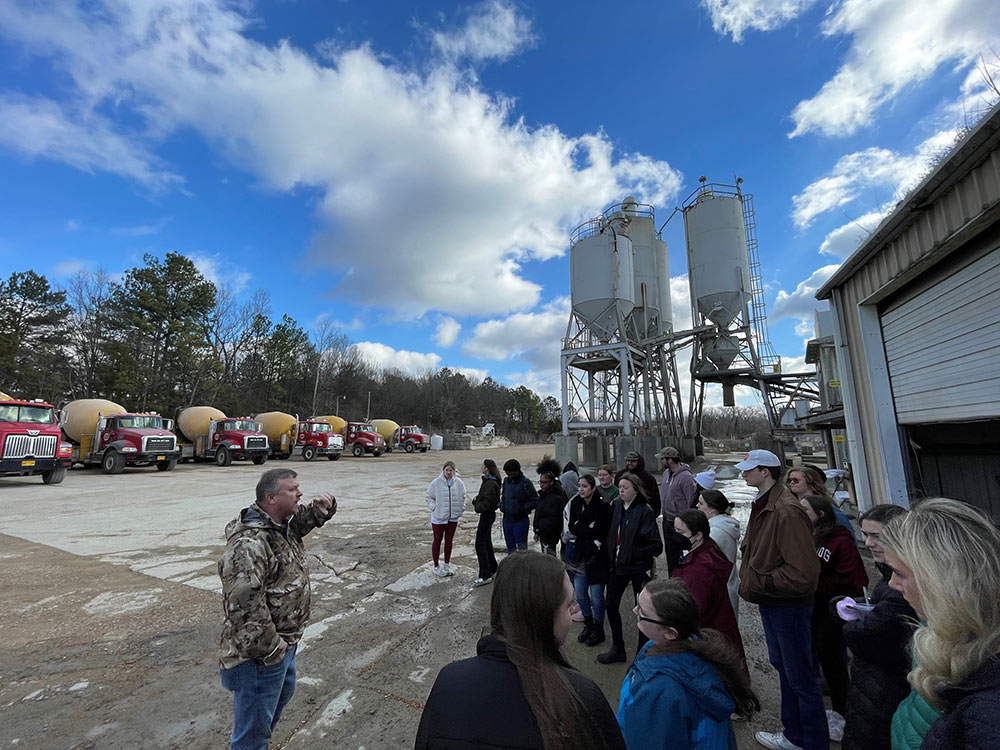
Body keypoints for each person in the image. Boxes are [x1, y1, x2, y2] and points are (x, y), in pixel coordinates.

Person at [414, 551, 626, 750]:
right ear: (543, 617)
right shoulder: (581, 698)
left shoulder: (448, 681)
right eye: (569, 605)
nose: (573, 614)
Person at [218, 469, 335, 750]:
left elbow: (299, 524)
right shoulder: (249, 545)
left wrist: (321, 512)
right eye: (292, 489)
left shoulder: (280, 524)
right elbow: (245, 608)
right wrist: (273, 650)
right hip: (260, 657)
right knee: (252, 737)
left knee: (265, 720)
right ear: (271, 498)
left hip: (283, 646)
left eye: (299, 487)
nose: (301, 493)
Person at [881, 498, 1000, 750]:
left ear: (941, 584)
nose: (891, 583)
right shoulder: (942, 634)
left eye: (899, 573)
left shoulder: (987, 707)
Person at [735, 449, 826, 750]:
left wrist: (764, 582)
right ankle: (794, 734)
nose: (744, 473)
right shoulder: (764, 504)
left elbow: (804, 573)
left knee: (800, 677)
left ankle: (811, 742)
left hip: (787, 606)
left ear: (765, 472)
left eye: (750, 469)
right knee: (785, 668)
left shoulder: (786, 510)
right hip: (773, 603)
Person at [616, 577, 759, 750]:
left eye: (642, 612)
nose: (634, 610)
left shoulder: (658, 691)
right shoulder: (696, 649)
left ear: (670, 633)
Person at [831, 504, 916, 750]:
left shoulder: (904, 583)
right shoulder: (890, 573)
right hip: (876, 691)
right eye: (866, 535)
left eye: (876, 536)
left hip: (886, 693)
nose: (867, 543)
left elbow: (877, 633)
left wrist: (850, 622)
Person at [799, 494, 868, 741]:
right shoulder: (811, 536)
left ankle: (842, 713)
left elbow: (856, 580)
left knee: (834, 661)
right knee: (818, 656)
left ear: (821, 514)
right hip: (815, 609)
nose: (801, 512)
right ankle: (832, 709)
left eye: (805, 509)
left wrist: (819, 586)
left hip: (833, 610)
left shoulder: (840, 540)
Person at [598, 473, 663, 664]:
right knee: (610, 604)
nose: (622, 490)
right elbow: (611, 532)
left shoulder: (645, 511)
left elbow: (656, 546)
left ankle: (641, 655)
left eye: (625, 487)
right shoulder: (616, 505)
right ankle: (618, 648)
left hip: (638, 568)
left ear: (636, 489)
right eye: (620, 487)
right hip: (618, 566)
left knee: (643, 611)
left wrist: (631, 552)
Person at [672, 509, 747, 672]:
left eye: (680, 531)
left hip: (707, 643)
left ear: (697, 536)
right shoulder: (705, 552)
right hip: (717, 636)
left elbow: (692, 613)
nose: (675, 536)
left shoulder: (698, 571)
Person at [568, 474, 612, 647]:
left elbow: (601, 530)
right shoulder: (576, 503)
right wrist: (587, 529)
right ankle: (588, 624)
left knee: (596, 595)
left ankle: (599, 628)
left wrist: (583, 528)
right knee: (580, 592)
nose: (581, 489)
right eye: (579, 486)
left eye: (585, 486)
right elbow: (573, 526)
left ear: (593, 488)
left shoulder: (602, 506)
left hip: (597, 555)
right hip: (580, 554)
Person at [696, 489, 741, 617]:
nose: (697, 506)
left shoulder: (715, 532)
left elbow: (698, 560)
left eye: (701, 503)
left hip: (719, 594)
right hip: (724, 589)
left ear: (712, 509)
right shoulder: (720, 526)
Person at [656, 446, 697, 575]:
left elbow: (691, 499)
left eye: (662, 459)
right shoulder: (665, 474)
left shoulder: (686, 477)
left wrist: (686, 519)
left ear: (670, 460)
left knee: (682, 554)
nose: (661, 461)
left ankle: (683, 579)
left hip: (680, 522)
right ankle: (672, 578)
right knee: (670, 555)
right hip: (667, 521)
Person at [425, 460, 467, 577]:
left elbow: (464, 496)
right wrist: (434, 508)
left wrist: (461, 508)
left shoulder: (459, 483)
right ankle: (436, 566)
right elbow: (429, 497)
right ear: (443, 470)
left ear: (454, 471)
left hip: (452, 517)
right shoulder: (436, 483)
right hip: (439, 518)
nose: (448, 472)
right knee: (437, 541)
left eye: (451, 470)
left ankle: (447, 564)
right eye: (446, 470)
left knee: (449, 541)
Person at [787, 466, 854, 538]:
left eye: (795, 480)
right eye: (789, 480)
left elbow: (847, 532)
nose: (791, 483)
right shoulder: (791, 505)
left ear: (810, 481)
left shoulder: (827, 506)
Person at [472, 459, 501, 587]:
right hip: (487, 515)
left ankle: (485, 575)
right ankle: (492, 566)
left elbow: (488, 503)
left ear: (487, 468)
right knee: (486, 542)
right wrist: (477, 500)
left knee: (480, 544)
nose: (481, 467)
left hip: (487, 515)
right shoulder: (489, 481)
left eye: (483, 465)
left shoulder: (490, 483)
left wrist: (477, 505)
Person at [500, 458, 538, 553]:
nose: (509, 476)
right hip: (507, 519)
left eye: (511, 474)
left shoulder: (526, 483)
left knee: (522, 549)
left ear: (517, 471)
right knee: (510, 548)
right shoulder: (506, 481)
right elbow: (503, 496)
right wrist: (501, 505)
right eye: (507, 474)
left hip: (520, 520)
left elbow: (535, 500)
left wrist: (522, 508)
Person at [534, 457, 568, 556]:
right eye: (540, 482)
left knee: (548, 559)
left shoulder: (555, 498)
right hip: (543, 533)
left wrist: (540, 527)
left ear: (551, 482)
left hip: (549, 534)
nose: (541, 485)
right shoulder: (543, 495)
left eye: (544, 482)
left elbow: (553, 519)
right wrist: (537, 530)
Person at [615, 451, 660, 517]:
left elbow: (654, 498)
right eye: (628, 461)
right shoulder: (619, 475)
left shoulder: (648, 478)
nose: (629, 463)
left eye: (633, 461)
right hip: (623, 512)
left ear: (638, 462)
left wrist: (653, 514)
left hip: (642, 513)